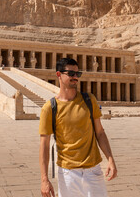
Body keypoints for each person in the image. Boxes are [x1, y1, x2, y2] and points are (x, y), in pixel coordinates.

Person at [39, 58, 117, 197]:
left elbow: (100, 133)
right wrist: (44, 179)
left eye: (77, 74)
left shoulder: (89, 100)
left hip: (93, 171)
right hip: (67, 174)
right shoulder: (50, 108)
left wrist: (110, 159)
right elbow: (44, 145)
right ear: (59, 74)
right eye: (71, 74)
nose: (75, 77)